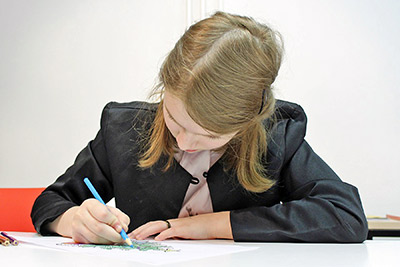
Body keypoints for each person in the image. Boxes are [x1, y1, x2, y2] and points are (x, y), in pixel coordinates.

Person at [31, 11, 368, 244]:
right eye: (174, 120)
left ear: (248, 121)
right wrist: (75, 220)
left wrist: (202, 227)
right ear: (164, 90)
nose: (185, 141)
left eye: (209, 135)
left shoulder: (276, 136)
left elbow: (345, 215)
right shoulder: (123, 128)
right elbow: (50, 202)